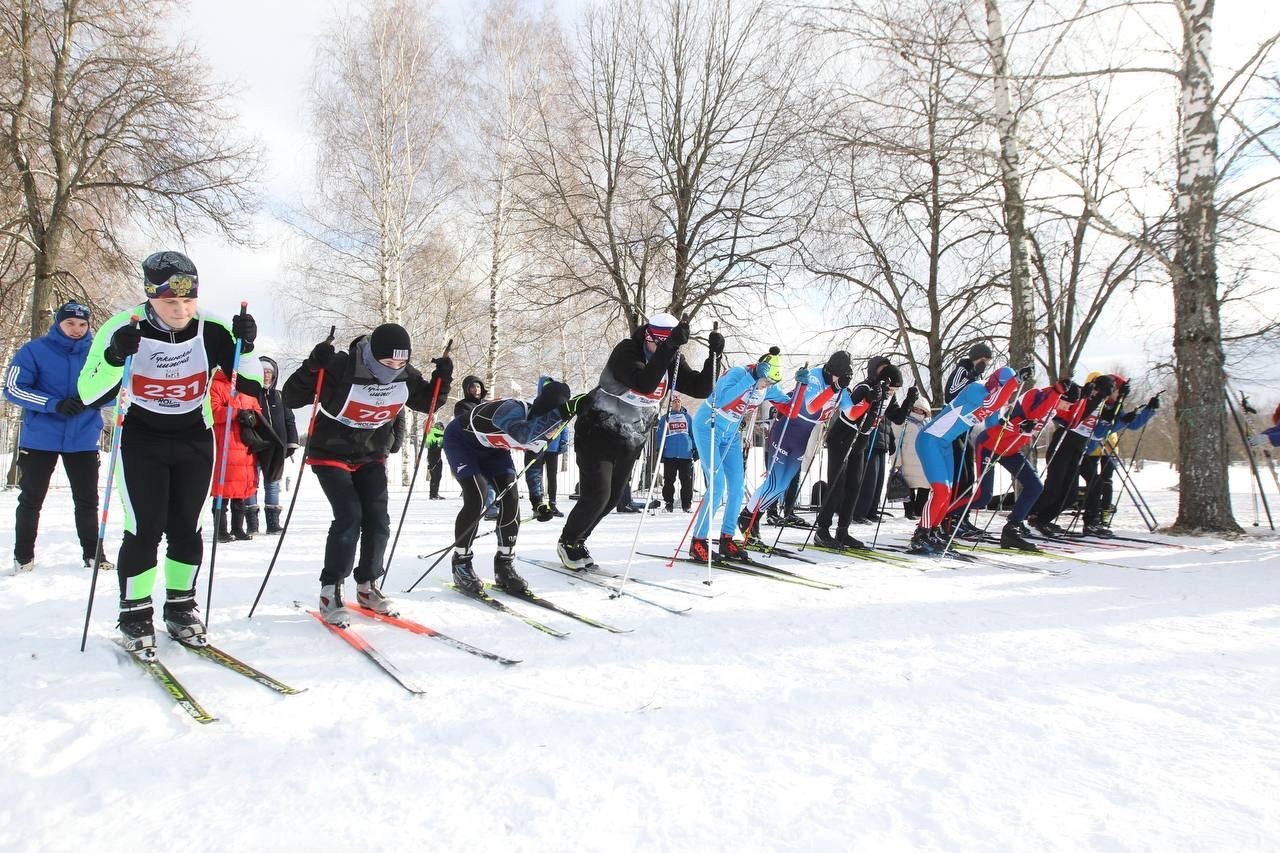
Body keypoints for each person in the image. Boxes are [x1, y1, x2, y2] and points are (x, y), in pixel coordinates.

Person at [78, 251, 261, 651]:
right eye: (170, 302)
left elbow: (251, 388)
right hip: (142, 439)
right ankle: (134, 612)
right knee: (144, 529)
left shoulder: (211, 328)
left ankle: (181, 606)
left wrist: (245, 347)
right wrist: (113, 357)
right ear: (150, 297)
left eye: (188, 301)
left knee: (187, 528)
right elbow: (89, 394)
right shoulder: (121, 326)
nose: (181, 310)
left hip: (195, 438)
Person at [282, 323, 451, 626]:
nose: (394, 369)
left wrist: (444, 378)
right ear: (372, 356)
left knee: (378, 519)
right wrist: (311, 366)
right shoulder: (341, 366)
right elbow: (292, 398)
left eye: (401, 363)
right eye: (388, 363)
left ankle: (367, 586)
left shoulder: (405, 375)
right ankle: (330, 589)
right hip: (330, 452)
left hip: (371, 454)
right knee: (349, 516)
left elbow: (428, 402)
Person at [557, 313, 721, 570]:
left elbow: (700, 389)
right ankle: (568, 541)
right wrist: (668, 349)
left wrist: (715, 356)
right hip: (597, 431)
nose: (663, 349)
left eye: (669, 345)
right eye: (660, 344)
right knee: (598, 494)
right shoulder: (626, 351)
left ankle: (578, 540)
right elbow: (645, 383)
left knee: (612, 499)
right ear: (648, 337)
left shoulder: (672, 357)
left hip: (629, 439)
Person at [4, 301, 111, 573]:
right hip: (40, 437)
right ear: (58, 324)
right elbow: (14, 389)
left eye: (82, 324)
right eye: (70, 323)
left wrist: (91, 399)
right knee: (31, 499)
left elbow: (115, 389)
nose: (76, 329)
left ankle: (93, 555)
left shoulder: (97, 353)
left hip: (84, 437)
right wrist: (53, 403)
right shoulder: (34, 351)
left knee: (87, 500)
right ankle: (23, 556)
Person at [444, 380, 575, 595]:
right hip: (461, 442)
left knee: (511, 497)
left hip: (494, 451)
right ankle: (461, 563)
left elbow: (533, 466)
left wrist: (538, 502)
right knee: (477, 497)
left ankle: (504, 565)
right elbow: (522, 434)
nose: (549, 425)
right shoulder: (513, 408)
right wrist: (560, 413)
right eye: (548, 415)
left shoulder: (546, 428)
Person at [737, 351, 853, 541]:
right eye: (838, 376)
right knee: (774, 482)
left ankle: (751, 516)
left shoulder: (840, 386)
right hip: (786, 431)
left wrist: (868, 400)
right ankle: (747, 517)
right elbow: (811, 406)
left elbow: (851, 413)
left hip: (802, 439)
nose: (839, 380)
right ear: (831, 370)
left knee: (782, 486)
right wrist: (834, 388)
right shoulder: (815, 376)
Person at [689, 347, 791, 562]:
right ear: (759, 371)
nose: (767, 387)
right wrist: (751, 378)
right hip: (710, 427)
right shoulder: (738, 373)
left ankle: (727, 539)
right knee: (717, 487)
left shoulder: (768, 386)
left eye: (771, 384)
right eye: (765, 381)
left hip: (731, 434)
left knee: (737, 487)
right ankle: (698, 541)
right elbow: (722, 399)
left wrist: (802, 388)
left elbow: (789, 406)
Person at [909, 365, 1022, 554]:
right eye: (1002, 387)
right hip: (930, 440)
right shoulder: (976, 389)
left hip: (944, 444)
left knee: (948, 493)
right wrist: (1014, 382)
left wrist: (1018, 426)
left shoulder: (996, 399)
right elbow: (990, 404)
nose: (1004, 392)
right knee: (940, 491)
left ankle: (934, 531)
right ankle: (921, 534)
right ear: (995, 382)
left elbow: (993, 424)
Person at [955, 377, 1073, 551]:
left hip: (1010, 450)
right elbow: (1003, 420)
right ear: (1060, 397)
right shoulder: (1035, 396)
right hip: (990, 444)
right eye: (1068, 403)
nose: (1069, 408)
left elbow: (1075, 420)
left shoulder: (1053, 411)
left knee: (1035, 486)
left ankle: (1012, 529)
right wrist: (1019, 426)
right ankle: (947, 516)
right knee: (983, 497)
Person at [813, 356, 907, 551]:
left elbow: (897, 418)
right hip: (842, 438)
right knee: (837, 484)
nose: (892, 393)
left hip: (860, 442)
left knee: (854, 486)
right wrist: (869, 401)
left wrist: (909, 401)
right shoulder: (864, 388)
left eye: (896, 390)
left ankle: (843, 530)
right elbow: (850, 414)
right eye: (892, 388)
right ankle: (822, 530)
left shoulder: (889, 396)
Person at [1027, 372, 1117, 536]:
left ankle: (1043, 520)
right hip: (1063, 445)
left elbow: (1110, 421)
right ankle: (1025, 516)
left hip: (1078, 449)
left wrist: (1120, 399)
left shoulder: (1102, 403)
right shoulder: (1084, 394)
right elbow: (1075, 416)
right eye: (1106, 392)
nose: (1106, 396)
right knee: (1054, 489)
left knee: (1070, 496)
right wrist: (1092, 397)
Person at [1078, 382, 1159, 536]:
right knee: (1073, 487)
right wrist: (1120, 420)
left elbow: (1132, 425)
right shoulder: (1096, 404)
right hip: (1080, 449)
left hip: (1096, 449)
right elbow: (1101, 428)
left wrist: (1149, 409)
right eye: (1116, 391)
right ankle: (1040, 517)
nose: (1116, 394)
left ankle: (1096, 519)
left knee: (1099, 483)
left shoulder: (1114, 406)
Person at [209, 362, 265, 542]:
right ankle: (221, 530)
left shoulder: (248, 388)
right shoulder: (216, 385)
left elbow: (258, 414)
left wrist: (252, 417)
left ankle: (238, 528)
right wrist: (235, 412)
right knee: (222, 491)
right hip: (225, 444)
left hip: (245, 445)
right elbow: (214, 411)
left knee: (240, 491)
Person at [245, 355, 297, 534]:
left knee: (273, 484)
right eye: (263, 371)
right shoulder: (250, 395)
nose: (267, 375)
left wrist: (291, 443)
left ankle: (273, 523)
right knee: (251, 484)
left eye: (269, 372)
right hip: (254, 447)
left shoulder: (280, 396)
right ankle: (252, 524)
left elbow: (289, 420)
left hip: (276, 448)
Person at [524, 375, 570, 517]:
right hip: (537, 446)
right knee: (536, 474)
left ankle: (553, 503)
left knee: (552, 476)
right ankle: (539, 503)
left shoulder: (558, 405)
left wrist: (564, 441)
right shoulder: (536, 406)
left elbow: (564, 424)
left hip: (553, 447)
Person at [894, 394, 932, 520]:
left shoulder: (928, 423)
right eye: (916, 408)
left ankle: (920, 511)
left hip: (924, 460)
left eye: (921, 409)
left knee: (924, 487)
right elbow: (896, 440)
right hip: (908, 459)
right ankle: (909, 511)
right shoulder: (904, 421)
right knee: (908, 486)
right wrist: (897, 459)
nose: (918, 411)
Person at [656, 394, 696, 512]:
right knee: (669, 480)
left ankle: (686, 505)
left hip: (685, 454)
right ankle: (669, 503)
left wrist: (695, 448)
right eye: (674, 402)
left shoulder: (687, 417)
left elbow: (693, 434)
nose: (677, 404)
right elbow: (659, 435)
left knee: (686, 481)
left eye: (678, 401)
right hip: (670, 454)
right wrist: (659, 449)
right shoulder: (665, 418)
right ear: (671, 404)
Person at [426, 421, 445, 499]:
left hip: (430, 456)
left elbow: (428, 445)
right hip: (436, 457)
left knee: (433, 476)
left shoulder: (430, 433)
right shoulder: (439, 434)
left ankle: (432, 494)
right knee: (437, 476)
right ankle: (435, 494)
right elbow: (442, 445)